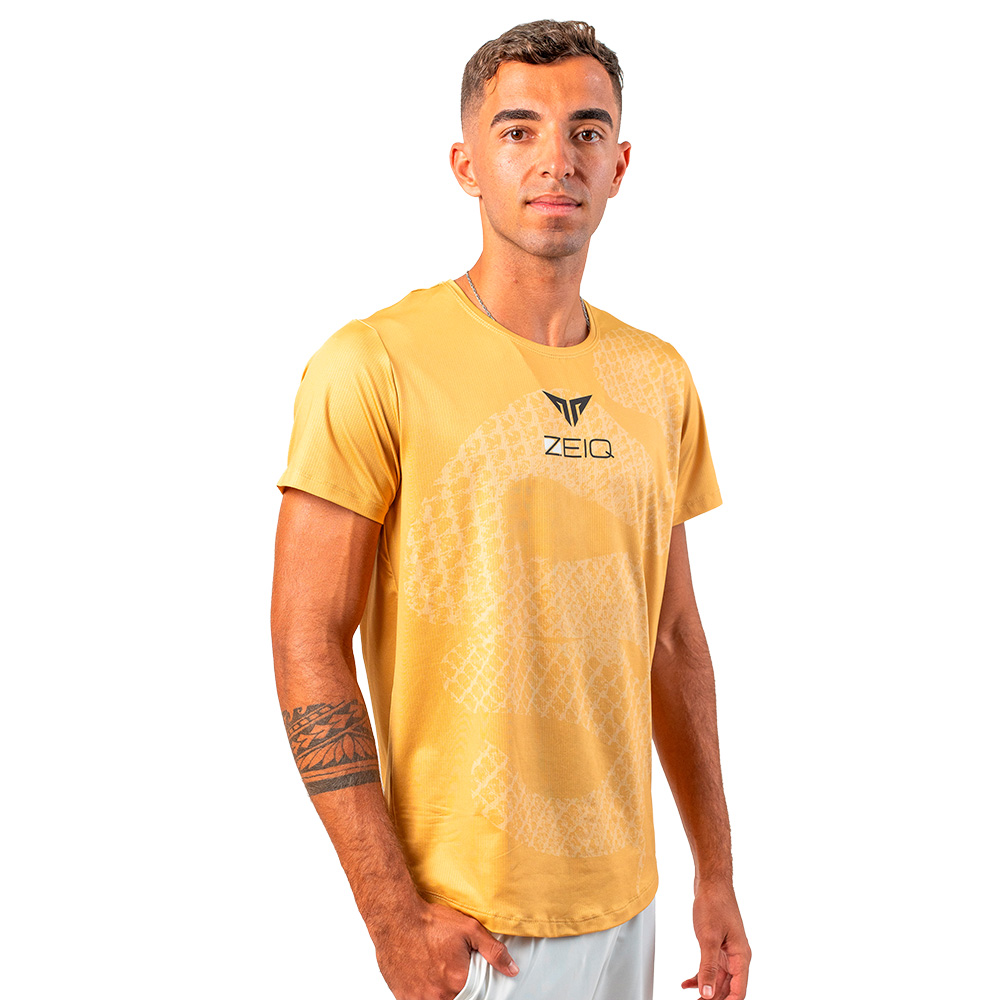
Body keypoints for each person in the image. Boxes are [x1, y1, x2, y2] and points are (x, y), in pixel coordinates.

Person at [271, 19, 751, 1000]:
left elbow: (672, 639)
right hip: (477, 926)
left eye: (585, 131)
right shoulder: (374, 363)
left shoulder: (656, 377)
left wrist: (715, 875)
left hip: (630, 907)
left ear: (619, 166)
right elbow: (304, 638)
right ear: (466, 164)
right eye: (518, 130)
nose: (554, 159)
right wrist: (391, 918)